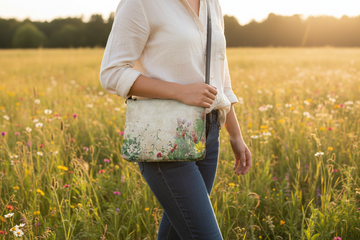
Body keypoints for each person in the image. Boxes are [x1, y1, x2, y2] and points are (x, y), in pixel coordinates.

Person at [100, 0, 252, 239]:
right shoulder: (140, 3)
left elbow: (219, 75)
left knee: (178, 234)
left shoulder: (212, 3)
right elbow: (112, 73)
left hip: (209, 133)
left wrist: (235, 133)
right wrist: (179, 91)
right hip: (165, 136)